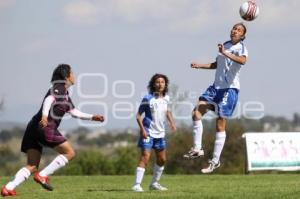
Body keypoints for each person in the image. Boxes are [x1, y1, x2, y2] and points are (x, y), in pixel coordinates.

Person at [1, 64, 105, 197]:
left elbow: (73, 112)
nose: (74, 75)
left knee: (32, 165)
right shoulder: (59, 87)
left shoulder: (65, 94)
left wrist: (92, 117)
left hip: (33, 128)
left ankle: (8, 188)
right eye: (72, 73)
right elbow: (49, 99)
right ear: (66, 76)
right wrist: (44, 116)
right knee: (70, 153)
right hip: (45, 127)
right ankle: (43, 175)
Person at [183, 23, 248, 174]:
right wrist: (200, 65)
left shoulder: (241, 48)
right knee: (196, 113)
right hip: (215, 88)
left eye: (239, 30)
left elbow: (243, 61)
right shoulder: (225, 45)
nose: (235, 30)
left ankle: (215, 161)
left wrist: (225, 53)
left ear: (242, 36)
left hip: (229, 89)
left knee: (220, 123)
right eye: (234, 28)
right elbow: (216, 64)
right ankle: (197, 148)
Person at [132, 74, 176, 192]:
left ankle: (154, 184)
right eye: (157, 82)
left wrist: (172, 123)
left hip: (160, 134)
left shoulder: (167, 98)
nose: (160, 84)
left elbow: (167, 112)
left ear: (165, 84)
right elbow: (138, 116)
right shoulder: (147, 98)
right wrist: (142, 130)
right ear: (153, 84)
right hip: (148, 132)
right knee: (145, 157)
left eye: (162, 82)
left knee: (162, 160)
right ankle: (136, 185)